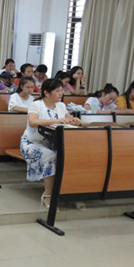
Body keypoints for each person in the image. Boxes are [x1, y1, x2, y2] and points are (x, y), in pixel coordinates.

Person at [20, 79, 81, 209]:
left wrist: (74, 121)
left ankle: (70, 194)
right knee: (51, 156)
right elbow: (33, 122)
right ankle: (47, 196)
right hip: (32, 143)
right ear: (46, 93)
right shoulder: (36, 105)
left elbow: (68, 119)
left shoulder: (61, 106)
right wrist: (57, 120)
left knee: (72, 157)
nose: (61, 93)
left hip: (53, 143)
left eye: (62, 90)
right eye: (57, 91)